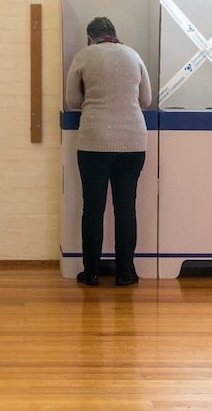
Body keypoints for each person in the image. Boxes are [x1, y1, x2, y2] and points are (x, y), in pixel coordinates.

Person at [65, 16, 152, 287]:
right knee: (126, 208)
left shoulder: (83, 56)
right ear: (114, 33)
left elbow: (72, 102)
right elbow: (146, 101)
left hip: (94, 142)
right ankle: (126, 273)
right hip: (133, 142)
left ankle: (91, 273)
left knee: (93, 209)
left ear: (90, 37)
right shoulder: (133, 55)